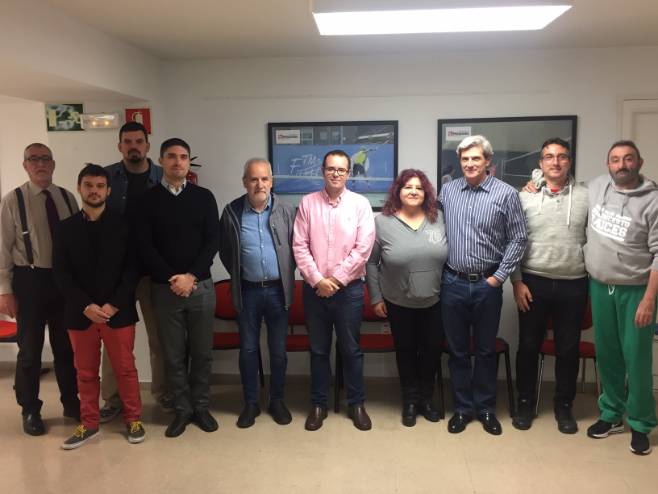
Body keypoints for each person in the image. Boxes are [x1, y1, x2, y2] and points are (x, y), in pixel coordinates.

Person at [440, 135, 526, 436]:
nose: (470, 164)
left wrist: (499, 277)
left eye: (475, 158)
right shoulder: (448, 191)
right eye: (464, 159)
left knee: (486, 350)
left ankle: (486, 408)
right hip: (452, 282)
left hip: (487, 285)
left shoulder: (506, 194)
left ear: (488, 161)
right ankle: (463, 409)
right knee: (458, 351)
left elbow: (518, 238)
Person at [54, 164, 144, 449]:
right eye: (89, 186)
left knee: (125, 370)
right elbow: (61, 274)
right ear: (79, 188)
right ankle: (89, 423)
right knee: (85, 373)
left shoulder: (124, 225)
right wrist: (86, 306)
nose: (94, 191)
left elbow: (133, 269)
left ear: (108, 190)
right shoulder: (65, 228)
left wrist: (114, 304)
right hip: (80, 314)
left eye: (100, 186)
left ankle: (133, 419)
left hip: (118, 312)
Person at [137, 138, 220, 438]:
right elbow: (144, 245)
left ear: (188, 161)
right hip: (164, 289)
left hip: (201, 287)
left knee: (202, 353)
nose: (177, 162)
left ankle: (201, 406)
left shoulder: (204, 197)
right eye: (171, 156)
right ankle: (182, 409)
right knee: (172, 355)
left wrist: (191, 276)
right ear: (161, 161)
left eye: (183, 157)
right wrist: (173, 278)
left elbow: (213, 240)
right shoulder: (147, 200)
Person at [583, 140, 658, 456]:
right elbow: (562, 185)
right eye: (615, 159)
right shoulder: (596, 186)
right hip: (600, 287)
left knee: (636, 359)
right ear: (608, 164)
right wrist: (536, 180)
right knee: (608, 356)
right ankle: (612, 414)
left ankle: (640, 423)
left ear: (639, 162)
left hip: (636, 291)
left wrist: (649, 300)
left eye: (628, 159)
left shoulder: (653, 200)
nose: (621, 164)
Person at [293, 149, 375, 431]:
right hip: (314, 291)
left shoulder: (360, 205)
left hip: (349, 292)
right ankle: (318, 405)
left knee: (351, 350)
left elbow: (363, 249)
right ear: (323, 171)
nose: (336, 173)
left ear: (349, 173)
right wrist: (318, 281)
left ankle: (356, 404)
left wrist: (336, 280)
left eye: (341, 169)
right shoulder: (307, 203)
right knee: (318, 350)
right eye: (331, 168)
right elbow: (299, 246)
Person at [510, 138, 589, 434]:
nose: (555, 162)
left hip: (574, 283)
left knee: (568, 348)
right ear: (540, 163)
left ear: (569, 161)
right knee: (528, 345)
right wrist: (517, 281)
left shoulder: (586, 196)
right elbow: (513, 241)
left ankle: (563, 406)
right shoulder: (524, 197)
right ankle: (525, 403)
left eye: (561, 156)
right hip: (533, 281)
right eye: (549, 157)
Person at [0, 143, 79, 436]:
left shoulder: (67, 198)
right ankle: (30, 409)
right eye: (34, 159)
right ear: (25, 165)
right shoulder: (13, 200)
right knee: (30, 351)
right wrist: (5, 290)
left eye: (45, 158)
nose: (40, 163)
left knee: (66, 348)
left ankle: (71, 403)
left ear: (53, 164)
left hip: (63, 282)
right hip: (29, 281)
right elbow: (3, 248)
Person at [218, 158, 296, 428]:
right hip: (248, 291)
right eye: (253, 179)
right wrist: (240, 273)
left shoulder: (286, 210)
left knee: (278, 351)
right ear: (245, 182)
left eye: (264, 179)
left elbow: (297, 248)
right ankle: (250, 403)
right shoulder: (231, 212)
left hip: (278, 291)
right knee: (248, 350)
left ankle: (277, 400)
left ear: (271, 182)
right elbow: (226, 252)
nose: (259, 184)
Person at [366, 169, 447, 427]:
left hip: (435, 301)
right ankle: (410, 402)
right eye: (408, 187)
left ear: (426, 193)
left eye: (419, 188)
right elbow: (371, 263)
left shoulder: (439, 218)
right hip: (398, 302)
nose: (413, 191)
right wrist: (376, 298)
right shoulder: (382, 222)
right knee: (406, 352)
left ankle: (426, 400)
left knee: (432, 352)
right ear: (398, 192)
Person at [101, 121, 170, 423]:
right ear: (120, 146)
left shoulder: (163, 177)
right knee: (115, 341)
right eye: (127, 142)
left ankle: (164, 393)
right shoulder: (106, 178)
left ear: (147, 146)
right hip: (116, 275)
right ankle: (112, 398)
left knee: (160, 339)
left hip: (153, 273)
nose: (133, 147)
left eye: (138, 141)